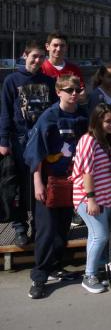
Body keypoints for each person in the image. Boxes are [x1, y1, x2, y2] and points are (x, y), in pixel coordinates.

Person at [23, 74, 89, 299]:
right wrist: (37, 182)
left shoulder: (83, 116)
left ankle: (56, 265)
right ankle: (39, 276)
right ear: (58, 92)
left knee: (63, 227)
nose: (74, 94)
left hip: (73, 180)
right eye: (69, 90)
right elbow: (36, 153)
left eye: (77, 90)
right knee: (47, 230)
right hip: (50, 180)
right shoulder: (48, 117)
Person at [0, 41, 57, 245]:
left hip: (42, 140)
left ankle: (39, 227)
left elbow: (54, 111)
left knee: (41, 184)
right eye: (34, 56)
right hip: (20, 140)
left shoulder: (48, 82)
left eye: (41, 57)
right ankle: (20, 227)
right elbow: (5, 112)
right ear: (25, 56)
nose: (37, 60)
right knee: (20, 186)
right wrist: (3, 141)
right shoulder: (11, 80)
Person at [71, 103, 111, 293]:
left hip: (106, 196)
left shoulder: (107, 140)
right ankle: (89, 275)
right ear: (97, 121)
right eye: (108, 121)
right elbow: (87, 174)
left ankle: (95, 270)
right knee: (100, 236)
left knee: (96, 236)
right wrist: (91, 199)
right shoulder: (88, 140)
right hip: (89, 198)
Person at [40, 32, 85, 96]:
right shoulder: (40, 69)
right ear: (47, 47)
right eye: (55, 45)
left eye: (62, 46)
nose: (59, 49)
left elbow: (82, 92)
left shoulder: (74, 69)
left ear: (66, 48)